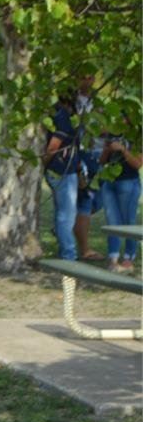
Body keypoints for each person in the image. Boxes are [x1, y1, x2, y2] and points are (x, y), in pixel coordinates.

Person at [44, 90, 80, 261]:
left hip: (58, 170)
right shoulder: (63, 117)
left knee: (61, 213)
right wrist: (44, 163)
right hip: (63, 171)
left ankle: (63, 250)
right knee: (67, 215)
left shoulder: (54, 111)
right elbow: (53, 146)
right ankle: (69, 255)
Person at [100, 129, 142, 272]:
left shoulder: (137, 134)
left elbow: (137, 164)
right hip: (109, 182)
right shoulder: (111, 134)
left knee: (128, 222)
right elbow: (102, 161)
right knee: (112, 223)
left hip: (128, 182)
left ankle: (129, 258)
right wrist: (107, 149)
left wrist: (123, 149)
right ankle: (113, 258)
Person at [73, 72, 104, 260]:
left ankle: (70, 222)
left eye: (91, 76)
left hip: (99, 155)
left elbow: (104, 126)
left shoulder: (98, 101)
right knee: (84, 200)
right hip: (82, 153)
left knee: (98, 200)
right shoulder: (70, 101)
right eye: (85, 76)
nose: (89, 79)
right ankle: (85, 250)